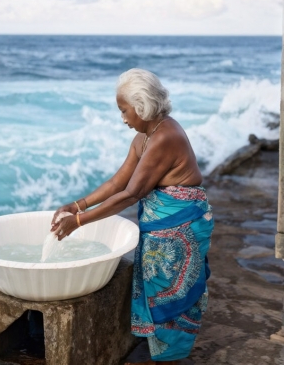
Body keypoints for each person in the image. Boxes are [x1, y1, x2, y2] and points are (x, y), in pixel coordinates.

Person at [50, 68, 214, 365]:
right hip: (163, 224)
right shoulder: (144, 137)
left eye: (123, 110)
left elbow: (130, 194)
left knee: (172, 295)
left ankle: (171, 356)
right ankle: (161, 351)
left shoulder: (166, 136)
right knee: (158, 286)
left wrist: (78, 222)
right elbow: (117, 182)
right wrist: (77, 204)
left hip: (181, 224)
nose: (122, 117)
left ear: (142, 107)